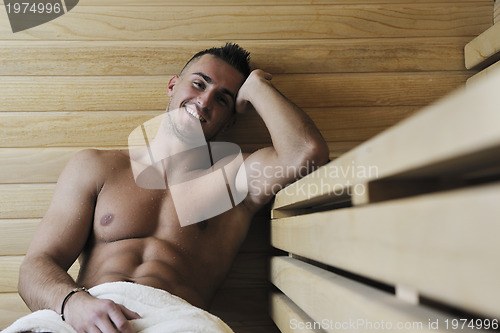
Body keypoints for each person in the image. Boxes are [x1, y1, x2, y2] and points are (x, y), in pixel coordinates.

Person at [13, 43, 329, 333]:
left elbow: (306, 152)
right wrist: (72, 303)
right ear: (172, 85)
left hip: (177, 320)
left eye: (222, 98)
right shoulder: (96, 166)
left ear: (230, 121)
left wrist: (258, 88)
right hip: (86, 312)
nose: (204, 101)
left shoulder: (236, 179)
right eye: (199, 83)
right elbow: (36, 266)